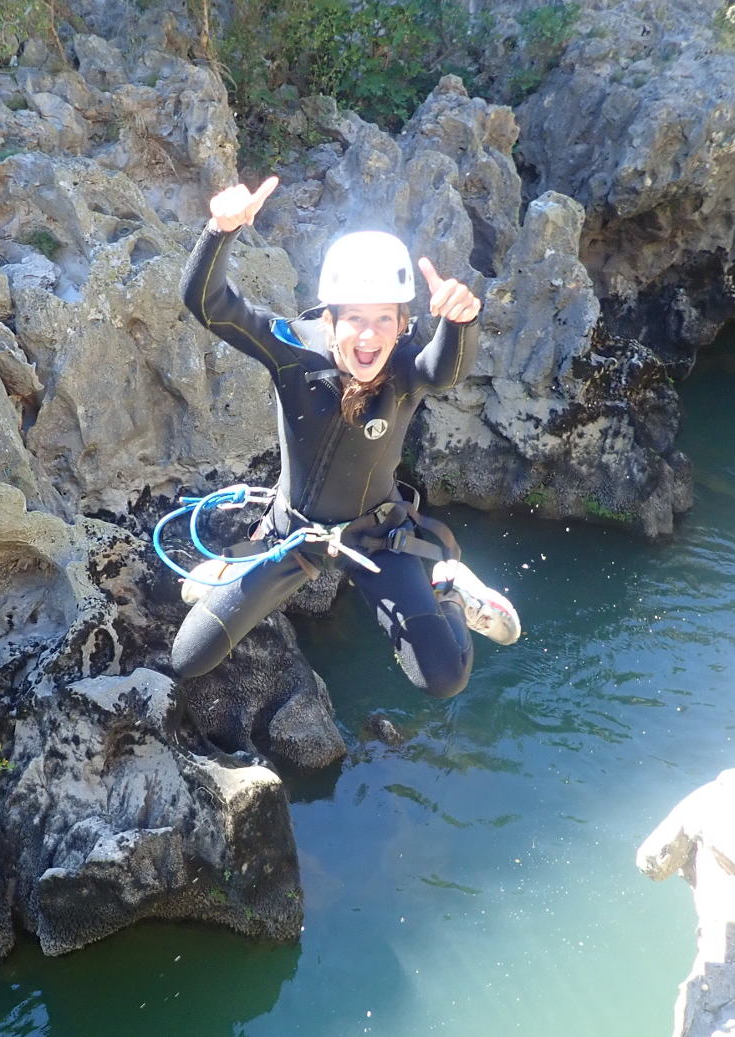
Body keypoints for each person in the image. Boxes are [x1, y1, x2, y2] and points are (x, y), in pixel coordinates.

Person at [170, 176, 519, 698]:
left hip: (379, 536)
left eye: (385, 319)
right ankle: (239, 554)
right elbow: (208, 304)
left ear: (402, 324)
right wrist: (220, 231)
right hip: (293, 534)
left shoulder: (404, 369)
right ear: (328, 317)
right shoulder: (294, 350)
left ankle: (448, 585)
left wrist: (459, 322)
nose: (369, 334)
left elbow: (444, 371)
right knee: (188, 660)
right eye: (355, 317)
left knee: (445, 679)